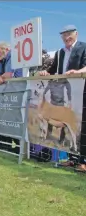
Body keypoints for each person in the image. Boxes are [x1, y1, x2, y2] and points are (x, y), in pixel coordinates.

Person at [38, 25, 86, 171]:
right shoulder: (59, 53)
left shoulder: (84, 47)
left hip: (81, 91)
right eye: (64, 35)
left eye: (69, 34)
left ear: (76, 34)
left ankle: (83, 160)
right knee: (65, 125)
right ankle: (72, 158)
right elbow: (53, 70)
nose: (66, 37)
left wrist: (79, 72)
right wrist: (45, 72)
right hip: (61, 94)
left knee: (81, 124)